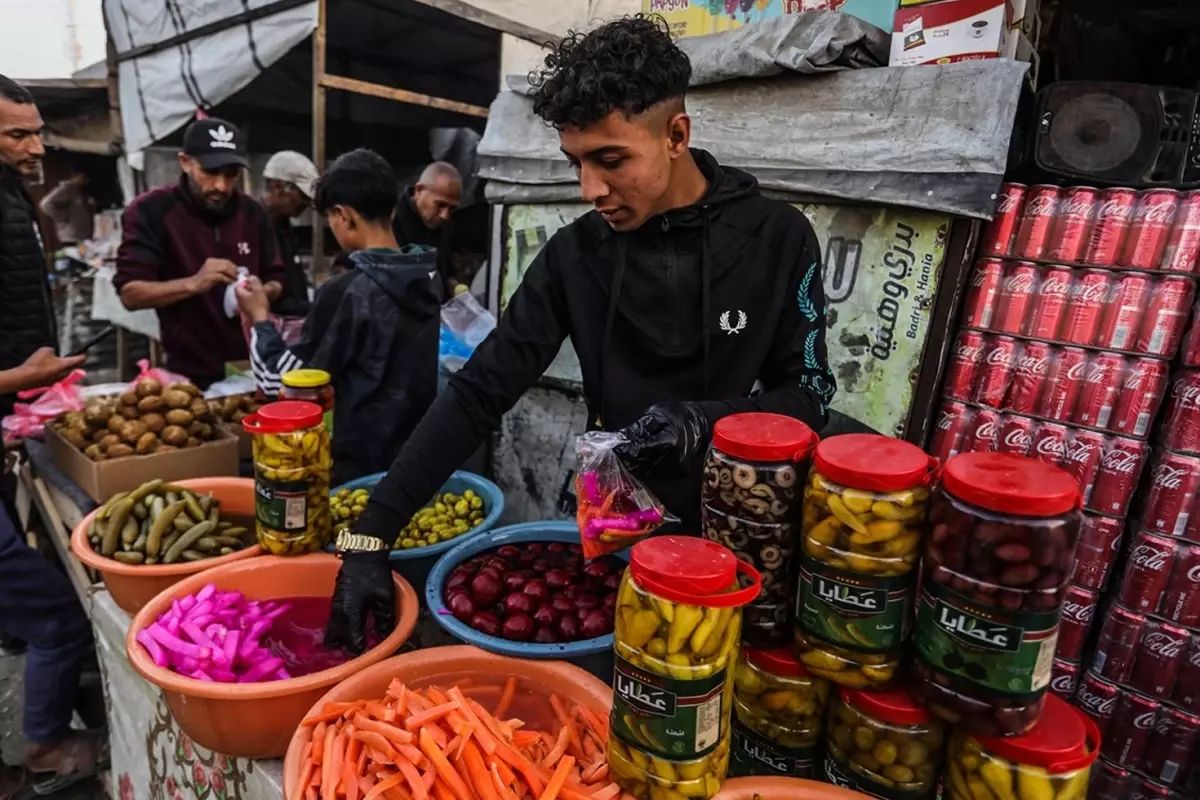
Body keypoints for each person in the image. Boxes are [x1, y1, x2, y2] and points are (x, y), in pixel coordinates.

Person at [324, 16, 836, 653]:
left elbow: (808, 392)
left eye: (611, 159)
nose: (590, 189)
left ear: (676, 135)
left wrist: (703, 423)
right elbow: (479, 390)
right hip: (621, 531)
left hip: (742, 533)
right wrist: (372, 534)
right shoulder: (576, 257)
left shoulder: (777, 240)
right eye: (576, 162)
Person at [0, 73, 104, 800]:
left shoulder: (13, 198)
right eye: (16, 133)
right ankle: (41, 749)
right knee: (57, 614)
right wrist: (19, 377)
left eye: (36, 130)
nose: (35, 145)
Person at [237, 148, 440, 486]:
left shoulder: (347, 291)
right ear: (392, 209)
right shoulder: (427, 277)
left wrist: (259, 317)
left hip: (360, 474)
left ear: (344, 216)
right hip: (414, 466)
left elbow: (282, 386)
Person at [114, 118, 286, 388]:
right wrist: (194, 283)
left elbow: (277, 278)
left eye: (230, 175)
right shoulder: (151, 211)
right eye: (210, 171)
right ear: (185, 162)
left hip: (253, 369)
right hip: (188, 376)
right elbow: (131, 294)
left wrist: (261, 293)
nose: (221, 185)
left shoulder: (252, 213)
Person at [262, 150, 319, 317]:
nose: (307, 204)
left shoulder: (285, 228)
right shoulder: (253, 227)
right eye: (303, 196)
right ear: (278, 187)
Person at [393, 161, 461, 296]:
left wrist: (456, 290)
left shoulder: (444, 227)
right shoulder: (391, 219)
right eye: (440, 205)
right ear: (419, 191)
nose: (445, 216)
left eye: (451, 208)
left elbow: (447, 272)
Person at [38, 170, 94, 246]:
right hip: (70, 236)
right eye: (82, 177)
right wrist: (63, 215)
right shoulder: (66, 188)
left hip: (82, 235)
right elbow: (45, 204)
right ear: (75, 176)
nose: (85, 181)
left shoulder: (80, 190)